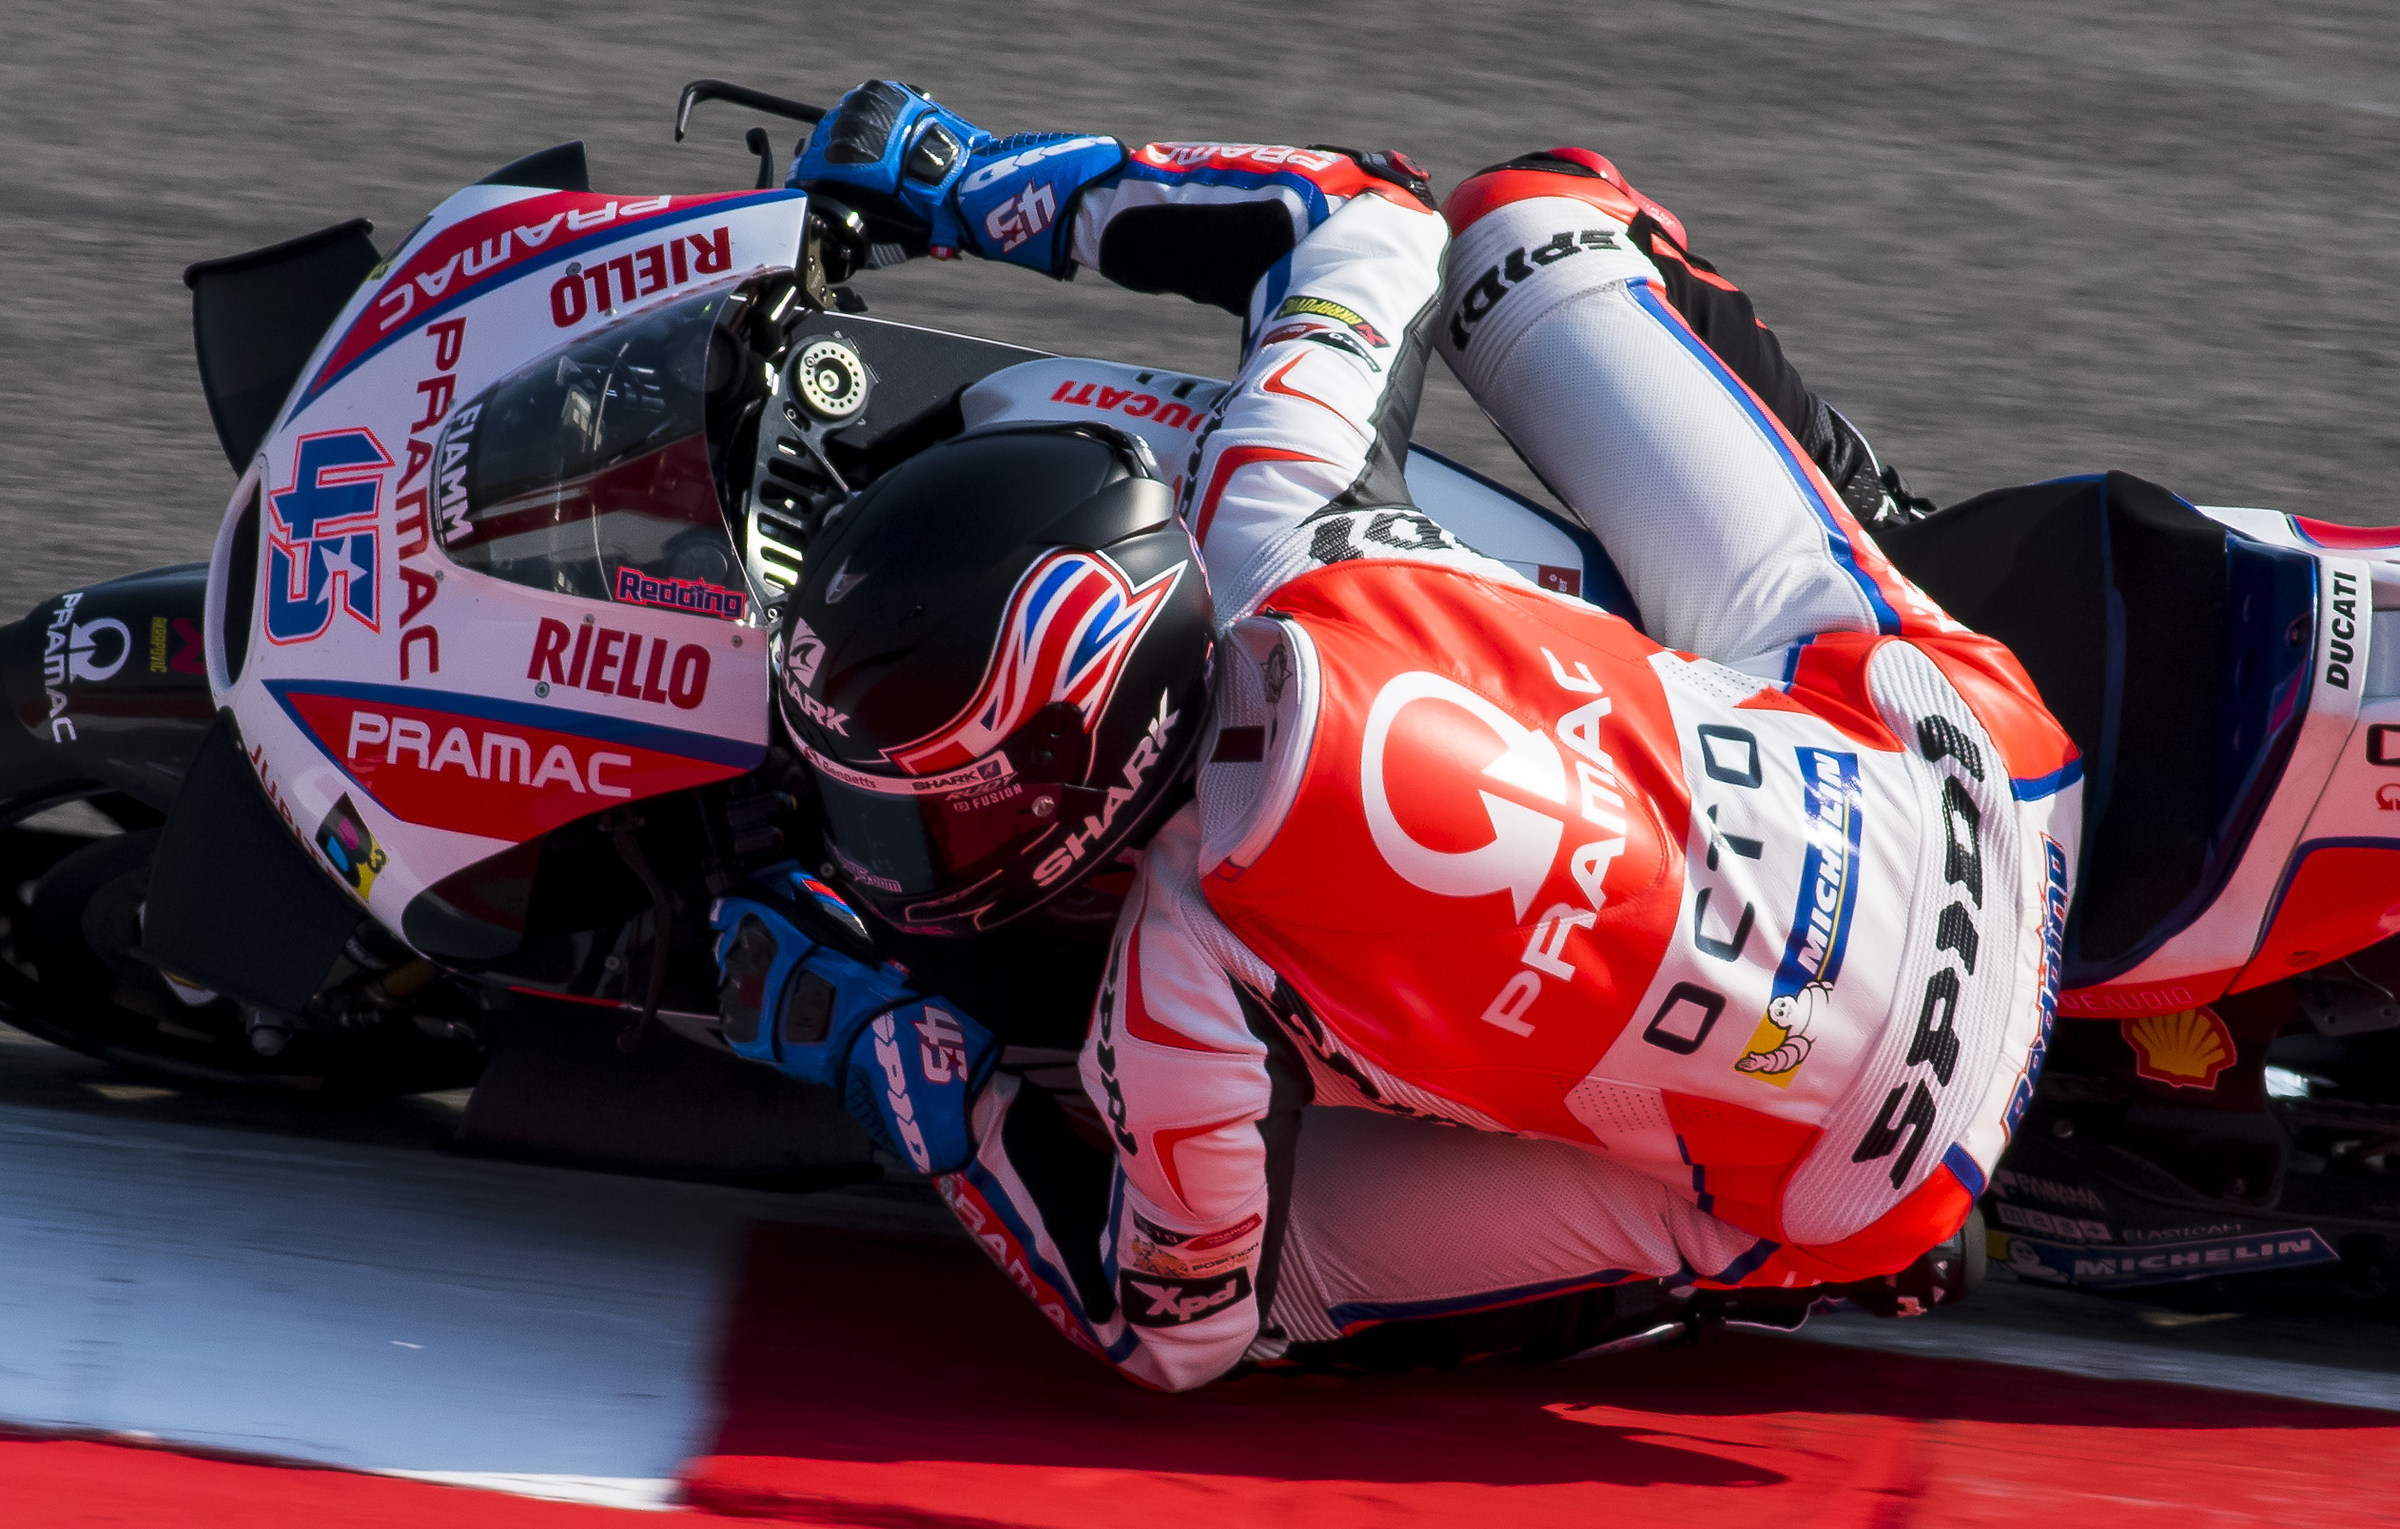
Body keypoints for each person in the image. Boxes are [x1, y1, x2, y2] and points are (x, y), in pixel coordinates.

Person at [709, 80, 2081, 1391]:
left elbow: (1170, 1330)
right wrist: (972, 181)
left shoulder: (1178, 988)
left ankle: (1753, 1266)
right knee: (1527, 221)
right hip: (1988, 762)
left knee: (1273, 1291)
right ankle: (1882, 522)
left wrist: (880, 1046)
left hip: (1888, 1176)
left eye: (920, 810)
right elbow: (1367, 210)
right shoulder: (1274, 518)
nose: (886, 842)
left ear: (1079, 778)